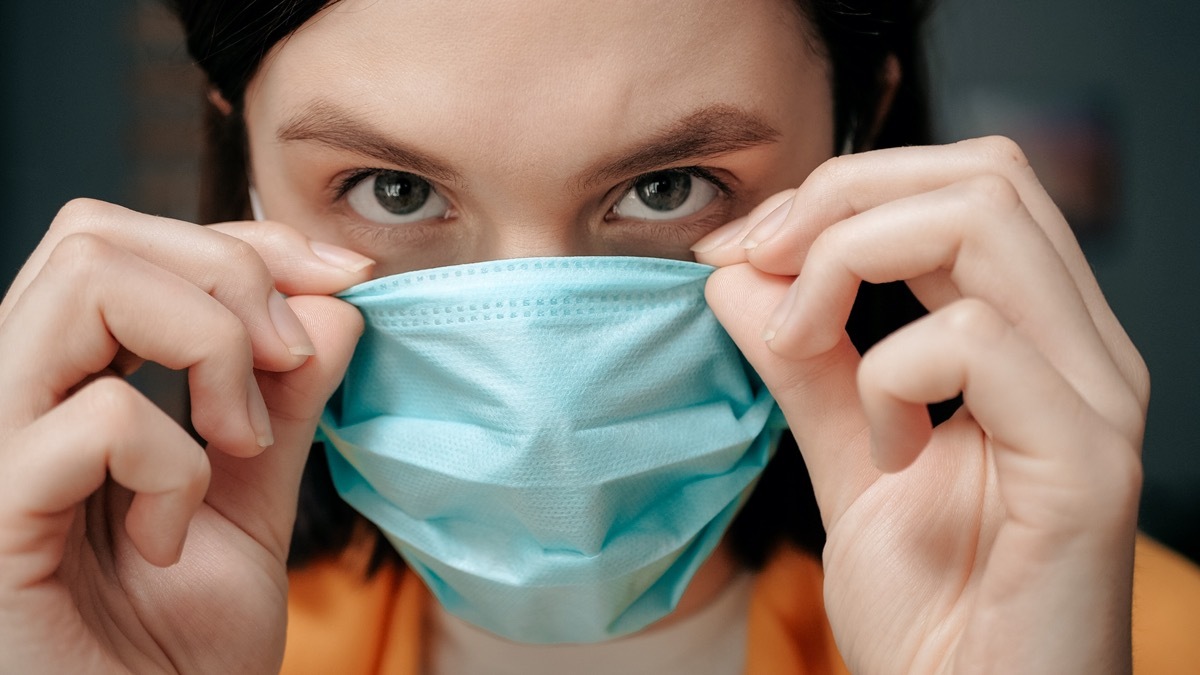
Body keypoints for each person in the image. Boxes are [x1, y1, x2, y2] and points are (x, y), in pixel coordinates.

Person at [1, 0, 1198, 673]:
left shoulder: (1143, 643)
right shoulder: (114, 641)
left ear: (858, 124)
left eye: (671, 186)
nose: (543, 406)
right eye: (395, 191)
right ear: (243, 153)